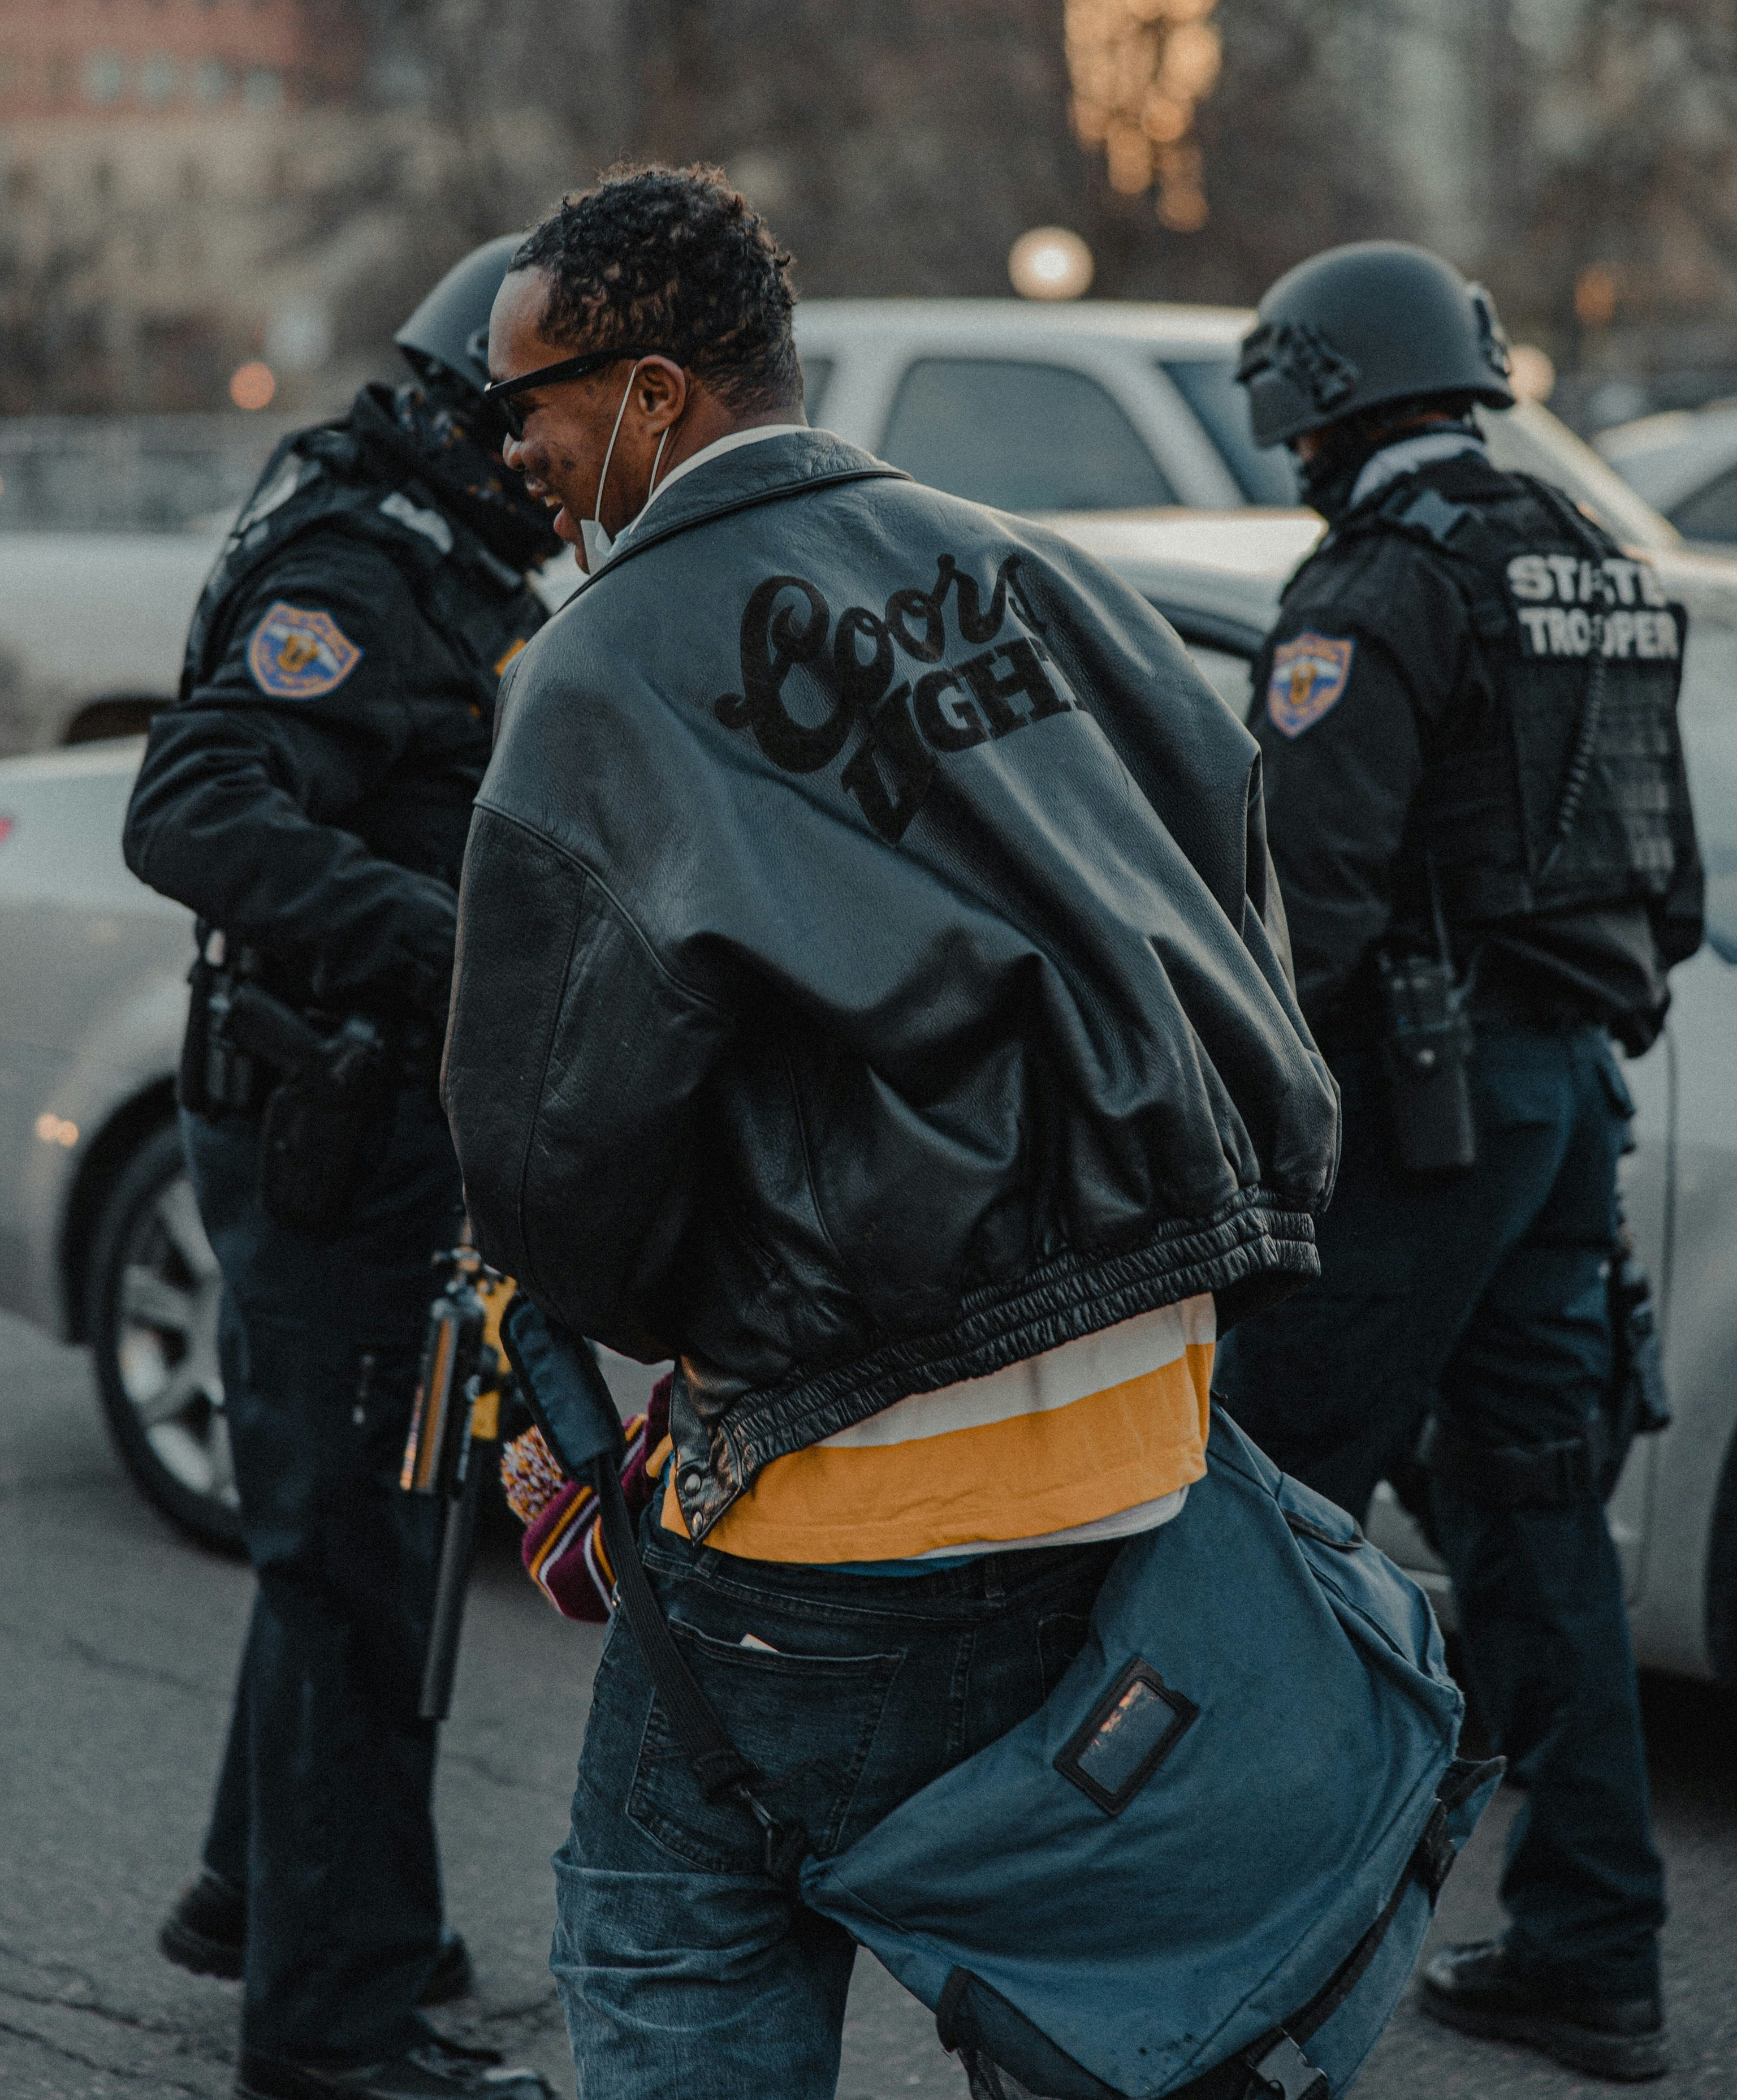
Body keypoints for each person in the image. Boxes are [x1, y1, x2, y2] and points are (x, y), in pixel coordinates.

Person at [439, 164, 1340, 2098]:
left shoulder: (605, 667)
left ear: (658, 396)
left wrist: (673, 1332)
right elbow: (1233, 885)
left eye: (536, 399)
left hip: (835, 1500)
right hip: (1140, 1471)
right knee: (1089, 2005)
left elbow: (549, 1167)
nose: (510, 441)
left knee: (673, 1937)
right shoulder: (1036, 569)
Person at [1216, 241, 1703, 2085]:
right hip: (1570, 1100)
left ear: (1322, 402)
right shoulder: (1600, 566)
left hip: (1419, 1118)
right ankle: (1593, 1948)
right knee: (1536, 1512)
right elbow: (1667, 887)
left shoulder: (1382, 582)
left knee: (1269, 1519)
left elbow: (1307, 912)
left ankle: (1240, 1954)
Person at [123, 239, 556, 2100]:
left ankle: (275, 1895)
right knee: (358, 1570)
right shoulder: (366, 565)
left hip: (357, 1120)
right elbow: (193, 807)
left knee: (343, 1551)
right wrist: (452, 940)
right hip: (328, 1127)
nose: (549, 469)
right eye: (534, 423)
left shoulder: (425, 539)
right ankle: (335, 2028)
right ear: (475, 404)